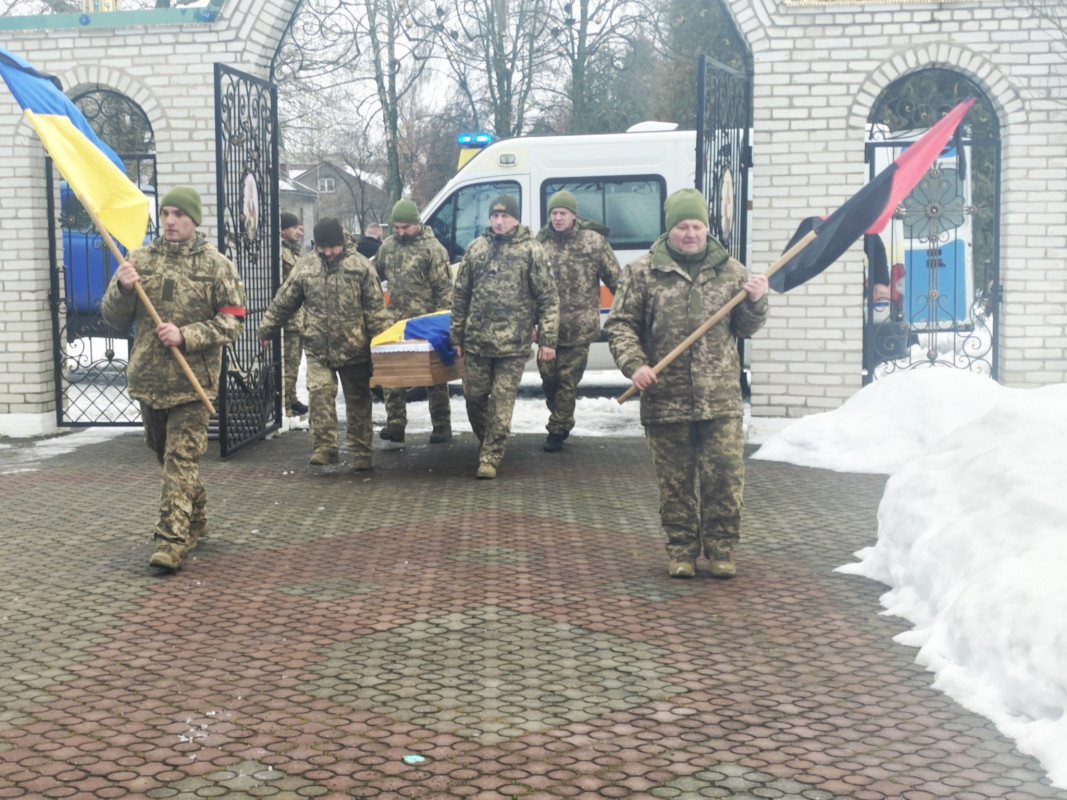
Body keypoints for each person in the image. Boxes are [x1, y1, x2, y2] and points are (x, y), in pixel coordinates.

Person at [605, 187, 768, 579]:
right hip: (666, 398)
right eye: (682, 226)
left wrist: (756, 301)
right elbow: (620, 325)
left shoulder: (732, 271)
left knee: (725, 479)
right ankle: (681, 551)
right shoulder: (642, 272)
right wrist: (635, 365)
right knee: (676, 483)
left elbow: (745, 328)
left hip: (720, 398)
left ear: (706, 229)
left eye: (696, 225)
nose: (690, 233)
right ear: (670, 229)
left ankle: (722, 549)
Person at [100, 186, 246, 572]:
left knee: (180, 460)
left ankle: (171, 541)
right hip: (150, 382)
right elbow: (113, 317)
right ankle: (195, 517)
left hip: (192, 384)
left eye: (179, 214)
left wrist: (187, 334)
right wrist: (122, 287)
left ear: (194, 220)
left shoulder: (217, 266)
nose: (169, 221)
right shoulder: (139, 260)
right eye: (165, 213)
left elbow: (233, 321)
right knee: (166, 458)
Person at [258, 217, 391, 470]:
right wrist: (267, 328)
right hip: (318, 347)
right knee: (319, 395)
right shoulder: (306, 266)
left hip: (355, 348)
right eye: (322, 247)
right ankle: (325, 447)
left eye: (332, 247)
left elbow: (375, 310)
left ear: (342, 242)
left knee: (358, 401)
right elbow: (285, 300)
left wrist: (381, 347)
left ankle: (361, 451)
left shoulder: (361, 266)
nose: (328, 252)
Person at [450, 194, 559, 479]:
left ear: (516, 219)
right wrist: (457, 336)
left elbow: (547, 296)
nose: (499, 222)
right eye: (495, 216)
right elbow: (461, 294)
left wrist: (547, 339)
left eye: (505, 217)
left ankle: (490, 457)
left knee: (501, 401)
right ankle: (489, 440)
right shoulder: (476, 249)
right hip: (477, 341)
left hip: (513, 343)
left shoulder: (531, 251)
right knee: (473, 397)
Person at [535, 190, 620, 452]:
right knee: (549, 382)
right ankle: (562, 416)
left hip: (580, 327)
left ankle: (557, 430)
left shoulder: (593, 242)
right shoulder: (539, 244)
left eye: (563, 213)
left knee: (566, 381)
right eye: (554, 213)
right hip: (548, 330)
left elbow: (616, 279)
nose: (558, 218)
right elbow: (528, 287)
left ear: (574, 215)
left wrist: (630, 308)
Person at [375, 199, 454, 444]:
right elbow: (373, 275)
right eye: (396, 227)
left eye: (405, 227)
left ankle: (442, 425)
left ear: (417, 224)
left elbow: (444, 290)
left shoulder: (433, 249)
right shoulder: (387, 247)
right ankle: (396, 424)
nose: (400, 232)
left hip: (427, 322)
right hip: (396, 322)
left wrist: (443, 324)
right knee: (393, 374)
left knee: (434, 376)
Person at [278, 212, 308, 417]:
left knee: (295, 362)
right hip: (287, 319)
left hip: (299, 318)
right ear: (283, 229)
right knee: (287, 363)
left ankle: (291, 397)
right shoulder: (279, 252)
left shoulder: (295, 252)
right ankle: (285, 404)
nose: (300, 231)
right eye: (295, 227)